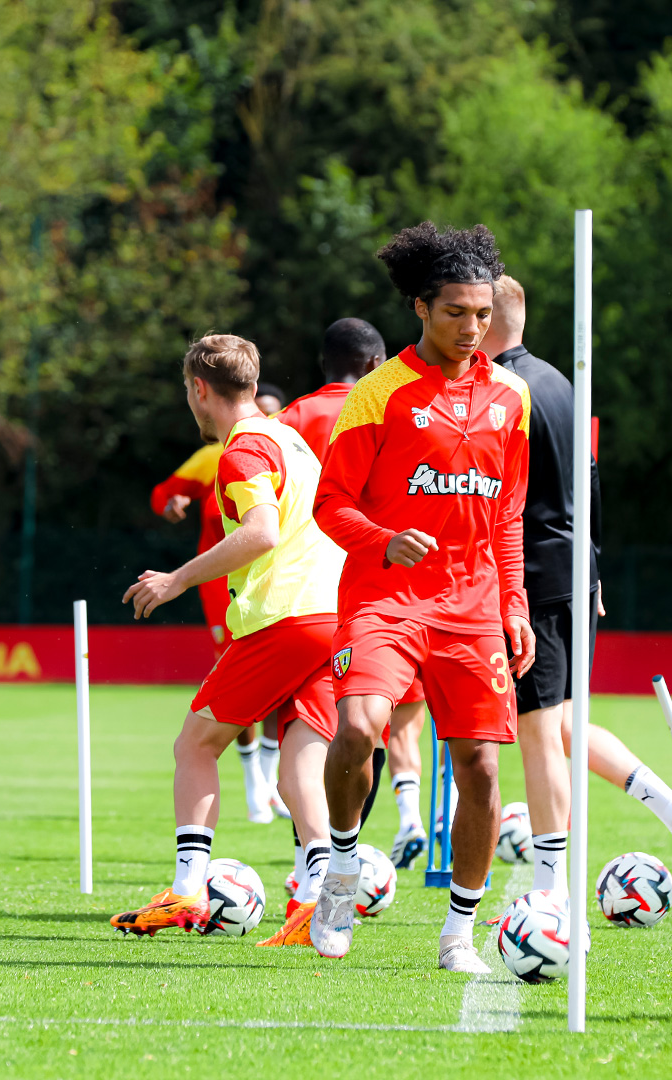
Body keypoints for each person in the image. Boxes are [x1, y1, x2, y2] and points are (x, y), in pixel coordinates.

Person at [309, 222, 535, 972]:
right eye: (455, 314)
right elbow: (330, 504)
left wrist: (514, 605)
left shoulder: (512, 398)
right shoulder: (378, 394)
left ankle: (458, 935)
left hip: (472, 607)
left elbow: (506, 515)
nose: (472, 329)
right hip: (386, 598)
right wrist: (382, 538)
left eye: (481, 315)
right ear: (419, 308)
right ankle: (340, 871)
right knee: (358, 731)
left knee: (480, 770)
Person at [484, 275, 672, 897]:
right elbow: (591, 487)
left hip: (533, 576)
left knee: (538, 734)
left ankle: (551, 891)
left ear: (487, 320)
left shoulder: (504, 392)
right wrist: (594, 571)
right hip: (574, 572)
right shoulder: (563, 383)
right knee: (562, 723)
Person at [109, 335, 344, 946]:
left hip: (284, 616)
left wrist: (177, 579)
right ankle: (316, 902)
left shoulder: (242, 450)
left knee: (195, 745)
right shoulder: (290, 437)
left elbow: (262, 533)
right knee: (297, 771)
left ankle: (188, 893)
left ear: (199, 389)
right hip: (332, 614)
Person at [276, 319, 430, 867]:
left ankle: (308, 865)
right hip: (382, 592)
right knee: (374, 725)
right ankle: (339, 857)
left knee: (307, 730)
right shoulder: (391, 406)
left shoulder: (287, 421)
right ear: (372, 365)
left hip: (301, 596)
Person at [152, 380, 291, 824]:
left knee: (278, 693)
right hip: (223, 589)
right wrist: (173, 503)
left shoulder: (280, 448)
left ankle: (268, 781)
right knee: (237, 686)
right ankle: (255, 782)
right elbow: (162, 494)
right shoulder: (216, 455)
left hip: (280, 589)